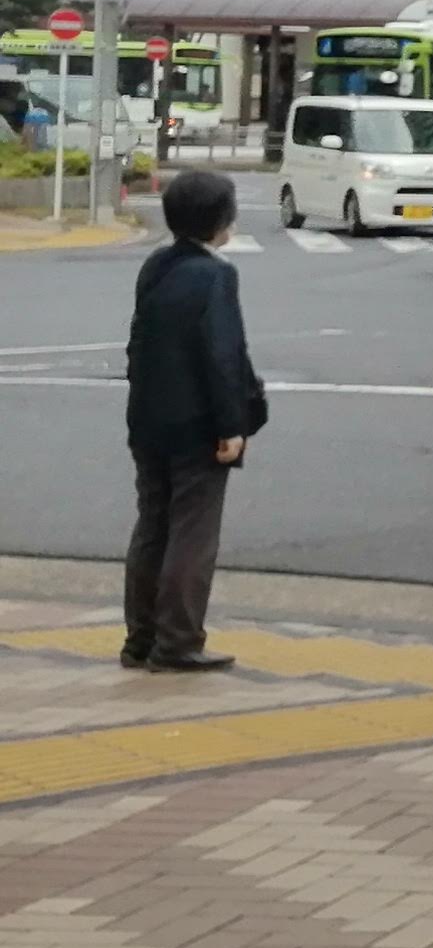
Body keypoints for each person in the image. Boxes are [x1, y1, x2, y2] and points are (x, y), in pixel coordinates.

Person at [122, 169, 263, 675]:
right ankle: (179, 642)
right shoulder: (216, 275)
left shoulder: (155, 265)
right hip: (198, 425)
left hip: (148, 420)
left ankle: (140, 638)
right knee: (192, 534)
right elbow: (222, 354)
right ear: (221, 220)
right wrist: (232, 425)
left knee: (152, 527)